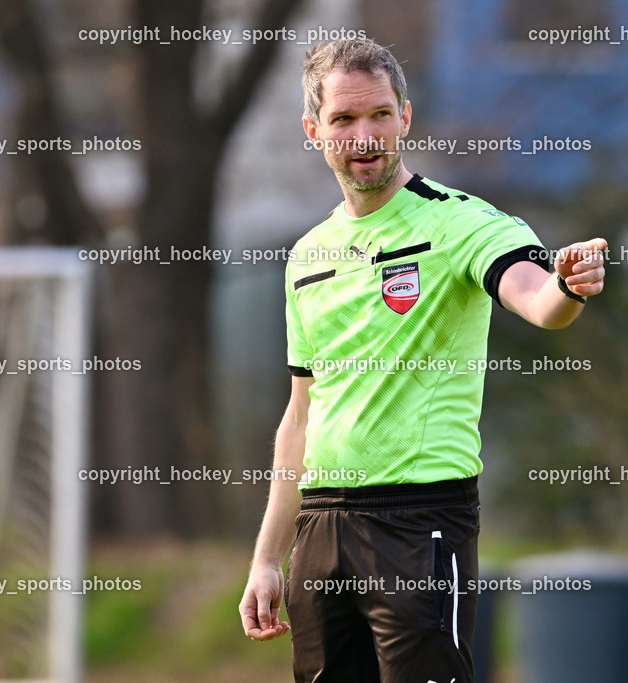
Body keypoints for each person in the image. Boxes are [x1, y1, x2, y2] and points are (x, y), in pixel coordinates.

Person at [238, 37, 607, 682]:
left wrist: (566, 287)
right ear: (313, 131)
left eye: (380, 113)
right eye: (344, 119)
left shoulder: (460, 224)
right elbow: (299, 417)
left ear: (406, 117)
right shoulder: (308, 255)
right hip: (319, 531)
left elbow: (536, 297)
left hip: (420, 523)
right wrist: (268, 559)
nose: (365, 134)